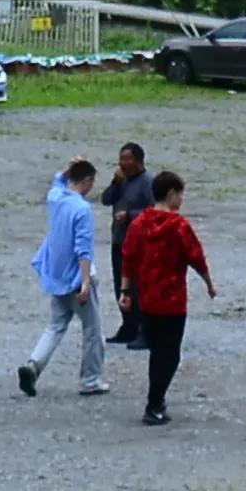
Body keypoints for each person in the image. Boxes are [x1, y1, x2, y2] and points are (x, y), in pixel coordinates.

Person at [120, 165, 212, 424]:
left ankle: (156, 399)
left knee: (156, 351)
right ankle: (155, 402)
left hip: (147, 298)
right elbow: (195, 256)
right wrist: (208, 283)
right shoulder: (179, 225)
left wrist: (125, 291)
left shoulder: (139, 224)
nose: (182, 200)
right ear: (171, 194)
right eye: (180, 195)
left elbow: (128, 256)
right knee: (170, 353)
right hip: (172, 300)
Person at [21, 157, 107, 397]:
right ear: (88, 181)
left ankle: (34, 364)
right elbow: (84, 248)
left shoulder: (55, 198)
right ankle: (91, 379)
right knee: (92, 329)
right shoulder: (81, 208)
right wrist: (86, 281)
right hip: (75, 277)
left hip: (56, 274)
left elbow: (59, 180)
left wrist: (69, 168)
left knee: (56, 325)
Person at [101, 142, 158, 351]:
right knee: (121, 285)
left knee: (138, 287)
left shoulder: (148, 182)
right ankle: (128, 325)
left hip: (140, 244)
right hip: (119, 240)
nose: (123, 163)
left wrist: (131, 215)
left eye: (127, 159)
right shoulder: (121, 180)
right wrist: (115, 184)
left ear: (139, 161)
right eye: (121, 159)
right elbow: (106, 200)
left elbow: (155, 210)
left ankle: (145, 330)